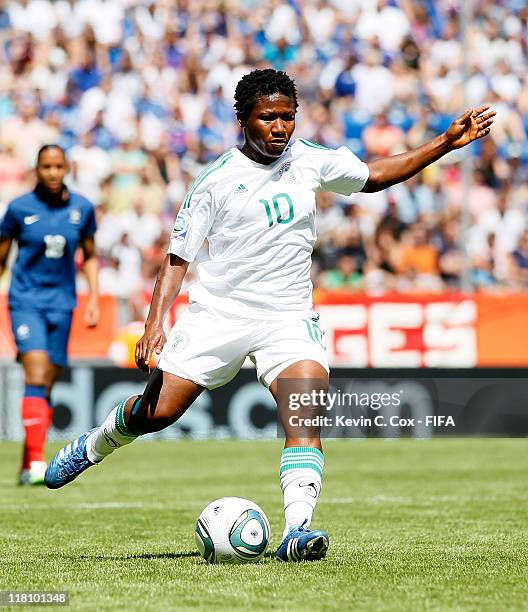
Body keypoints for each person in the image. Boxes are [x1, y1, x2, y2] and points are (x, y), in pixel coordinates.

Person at [44, 69, 494, 561]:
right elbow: (177, 261)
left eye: (288, 117)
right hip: (219, 315)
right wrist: (155, 327)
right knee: (159, 413)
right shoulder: (215, 183)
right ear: (243, 120)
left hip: (287, 317)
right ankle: (95, 444)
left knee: (303, 416)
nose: (280, 127)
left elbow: (376, 175)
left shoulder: (308, 160)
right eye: (268, 118)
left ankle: (297, 531)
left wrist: (445, 144)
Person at [0, 144, 99, 485]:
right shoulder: (18, 209)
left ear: (67, 168)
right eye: (46, 167)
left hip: (63, 304)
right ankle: (38, 462)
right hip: (26, 301)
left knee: (47, 384)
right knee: (37, 374)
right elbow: (1, 260)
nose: (53, 173)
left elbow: (90, 255)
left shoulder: (82, 208)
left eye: (58, 167)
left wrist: (94, 298)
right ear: (36, 170)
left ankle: (28, 463)